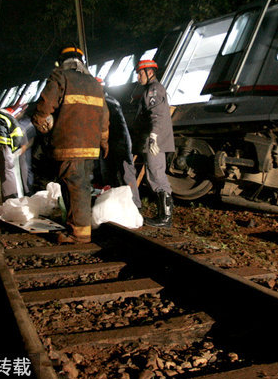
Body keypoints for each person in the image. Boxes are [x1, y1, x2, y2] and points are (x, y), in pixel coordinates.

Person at [32, 46, 109, 244]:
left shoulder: (60, 76)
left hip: (68, 143)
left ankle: (79, 233)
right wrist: (104, 141)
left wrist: (39, 119)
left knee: (74, 185)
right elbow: (104, 116)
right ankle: (78, 224)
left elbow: (45, 103)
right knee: (81, 184)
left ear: (62, 60)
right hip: (91, 145)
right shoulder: (94, 83)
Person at [132, 59, 175, 227]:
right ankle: (164, 216)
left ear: (150, 72)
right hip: (152, 140)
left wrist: (154, 136)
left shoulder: (154, 89)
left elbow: (156, 115)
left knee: (156, 175)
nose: (138, 77)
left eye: (140, 73)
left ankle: (165, 218)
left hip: (154, 142)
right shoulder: (150, 89)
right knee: (154, 174)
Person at [96, 78, 141, 209]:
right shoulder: (102, 102)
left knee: (126, 175)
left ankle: (135, 206)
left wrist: (125, 151)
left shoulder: (109, 103)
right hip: (109, 145)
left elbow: (121, 129)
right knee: (109, 176)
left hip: (118, 145)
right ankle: (115, 205)